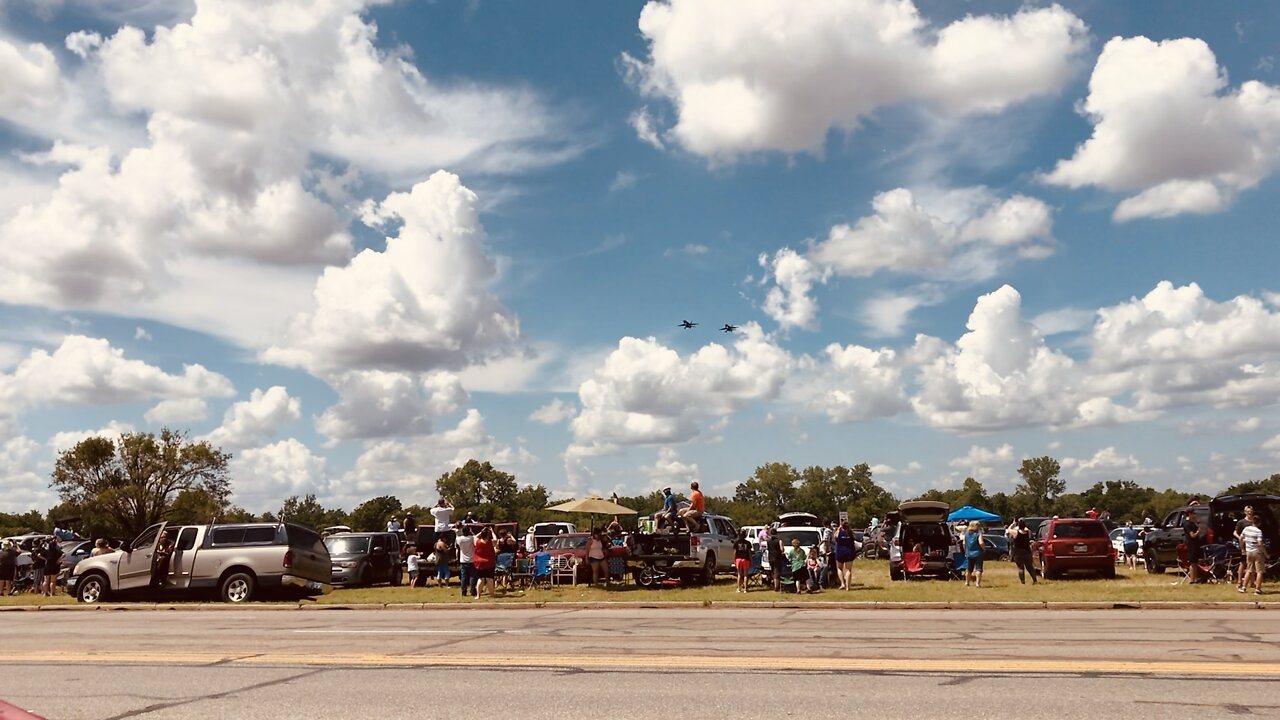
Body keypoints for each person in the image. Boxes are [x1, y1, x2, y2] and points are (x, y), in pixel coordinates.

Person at [1239, 516, 1267, 595]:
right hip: (1257, 552)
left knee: (1249, 570)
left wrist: (1242, 548)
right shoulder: (1258, 531)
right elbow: (1260, 543)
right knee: (1259, 571)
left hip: (1248, 551)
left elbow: (1241, 538)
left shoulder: (1246, 529)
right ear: (1259, 523)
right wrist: (1266, 553)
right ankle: (1257, 589)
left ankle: (1243, 587)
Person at [1235, 506, 1257, 591]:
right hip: (1244, 546)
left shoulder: (1254, 522)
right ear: (1245, 512)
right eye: (1248, 511)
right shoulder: (1241, 522)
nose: (1250, 513)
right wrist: (1241, 538)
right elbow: (1235, 532)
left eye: (1251, 511)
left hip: (1253, 546)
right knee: (1243, 563)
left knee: (1253, 564)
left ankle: (1252, 582)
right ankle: (1240, 581)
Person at [1009, 518, 1037, 585]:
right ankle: (1034, 580)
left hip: (1017, 553)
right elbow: (1028, 532)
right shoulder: (1028, 532)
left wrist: (1013, 524)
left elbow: (1009, 529)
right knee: (1030, 567)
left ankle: (1023, 582)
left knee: (1020, 568)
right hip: (1027, 552)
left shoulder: (1016, 533)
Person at [473, 527, 497, 599]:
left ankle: (478, 595)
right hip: (489, 562)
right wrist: (492, 532)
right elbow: (496, 540)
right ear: (488, 535)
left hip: (479, 563)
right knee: (489, 579)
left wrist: (481, 531)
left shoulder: (477, 541)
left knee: (480, 579)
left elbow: (475, 536)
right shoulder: (491, 542)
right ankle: (492, 594)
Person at [834, 519, 856, 590]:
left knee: (839, 568)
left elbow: (835, 536)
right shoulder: (850, 533)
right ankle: (848, 587)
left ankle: (842, 583)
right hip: (849, 552)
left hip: (840, 552)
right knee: (848, 570)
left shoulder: (839, 532)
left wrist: (839, 528)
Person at [1183, 513, 1203, 583]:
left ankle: (1195, 578)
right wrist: (1198, 532)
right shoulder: (1187, 524)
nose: (1195, 515)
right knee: (1192, 562)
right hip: (1191, 545)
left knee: (1195, 562)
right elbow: (1192, 535)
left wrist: (1198, 522)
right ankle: (1192, 580)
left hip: (1195, 545)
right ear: (1189, 514)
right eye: (1193, 514)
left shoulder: (1192, 523)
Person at [456, 525, 476, 597]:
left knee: (463, 577)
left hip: (463, 560)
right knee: (472, 576)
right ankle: (473, 590)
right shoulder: (471, 538)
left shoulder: (459, 539)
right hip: (471, 560)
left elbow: (457, 547)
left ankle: (463, 591)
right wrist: (471, 532)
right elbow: (475, 537)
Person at [963, 521, 985, 588]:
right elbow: (981, 543)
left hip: (969, 553)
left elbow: (964, 543)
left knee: (968, 569)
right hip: (978, 553)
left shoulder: (966, 534)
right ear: (976, 526)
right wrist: (984, 549)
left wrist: (965, 550)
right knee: (978, 569)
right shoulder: (978, 534)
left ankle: (967, 582)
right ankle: (977, 584)